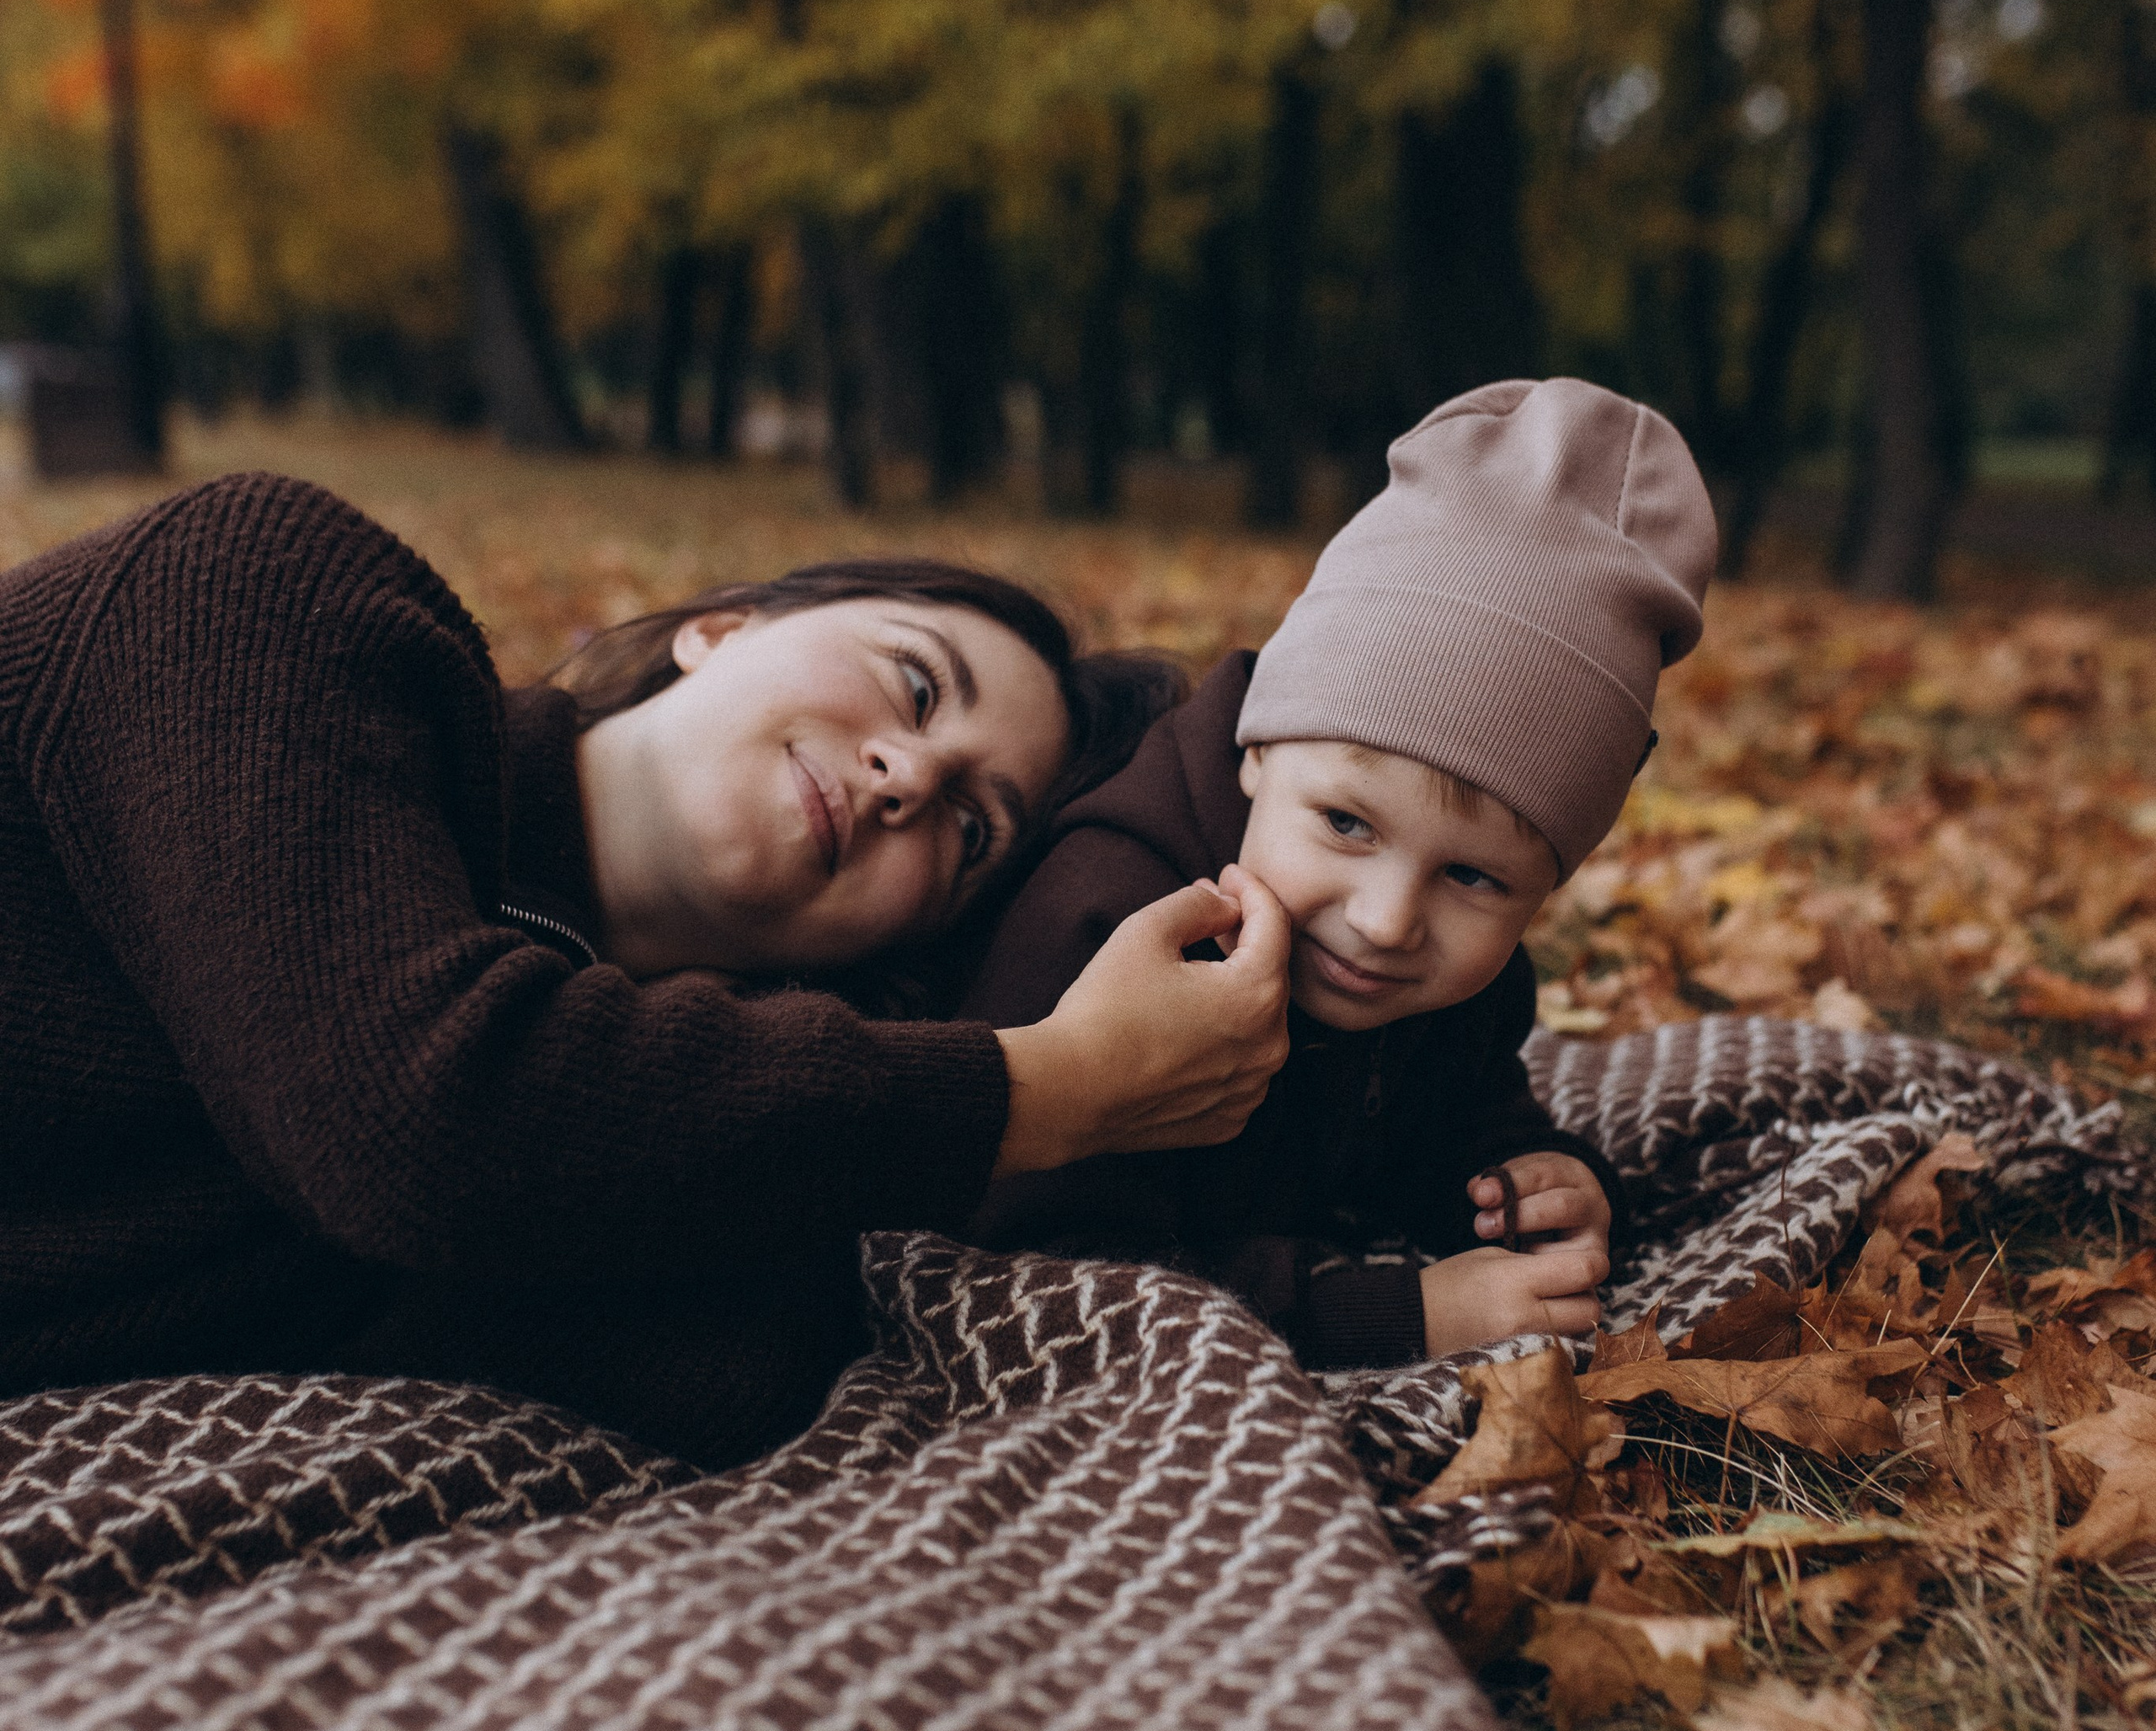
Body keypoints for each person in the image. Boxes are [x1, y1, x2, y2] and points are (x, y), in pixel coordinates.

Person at [0, 472, 1289, 1465]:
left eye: (969, 831)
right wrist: (1047, 1085)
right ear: (720, 629)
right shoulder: (269, 591)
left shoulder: (633, 1162)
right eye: (912, 682)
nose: (906, 773)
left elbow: (717, 1368)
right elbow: (421, 1117)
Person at [965, 377, 1718, 1365]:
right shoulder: (1106, 923)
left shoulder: (1458, 980)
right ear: (1256, 747)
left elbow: (1455, 1107)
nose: (1387, 919)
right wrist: (1398, 1315)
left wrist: (1525, 1177)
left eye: (1473, 878)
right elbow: (1041, 1268)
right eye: (1347, 824)